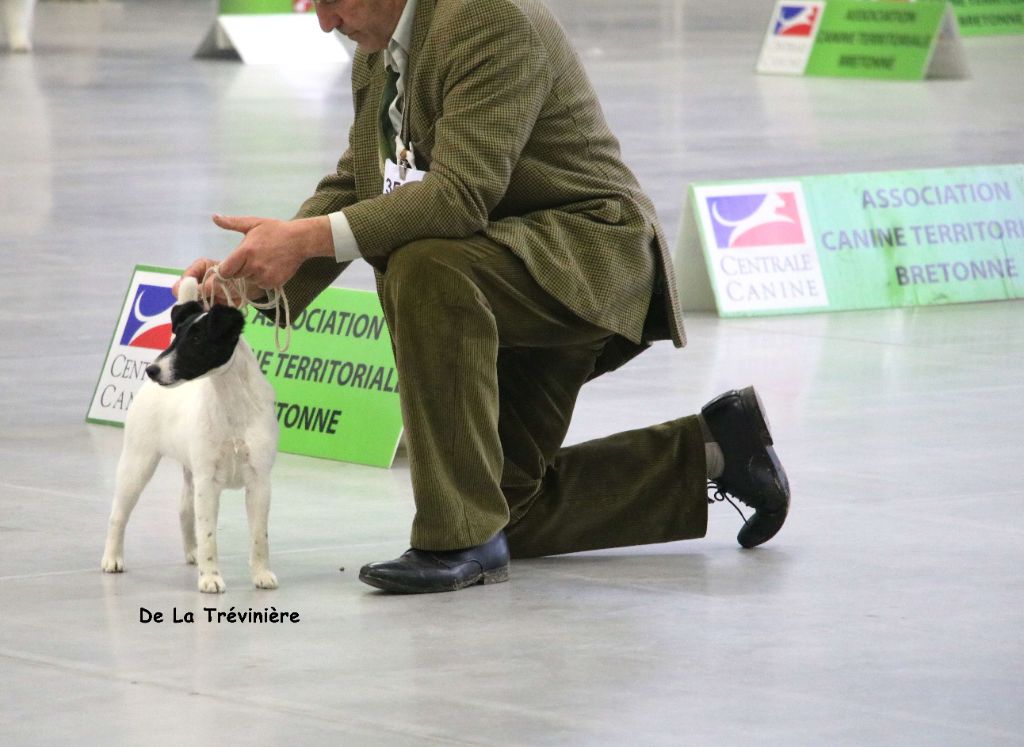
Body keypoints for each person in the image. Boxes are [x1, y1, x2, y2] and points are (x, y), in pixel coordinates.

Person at [176, 0, 791, 595]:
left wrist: (307, 239)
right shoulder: (379, 49)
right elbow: (359, 180)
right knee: (500, 508)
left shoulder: (489, 16)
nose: (324, 22)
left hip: (585, 257)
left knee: (425, 265)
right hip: (498, 268)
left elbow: (459, 195)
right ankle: (717, 449)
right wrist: (256, 276)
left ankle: (456, 543)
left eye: (334, 1)